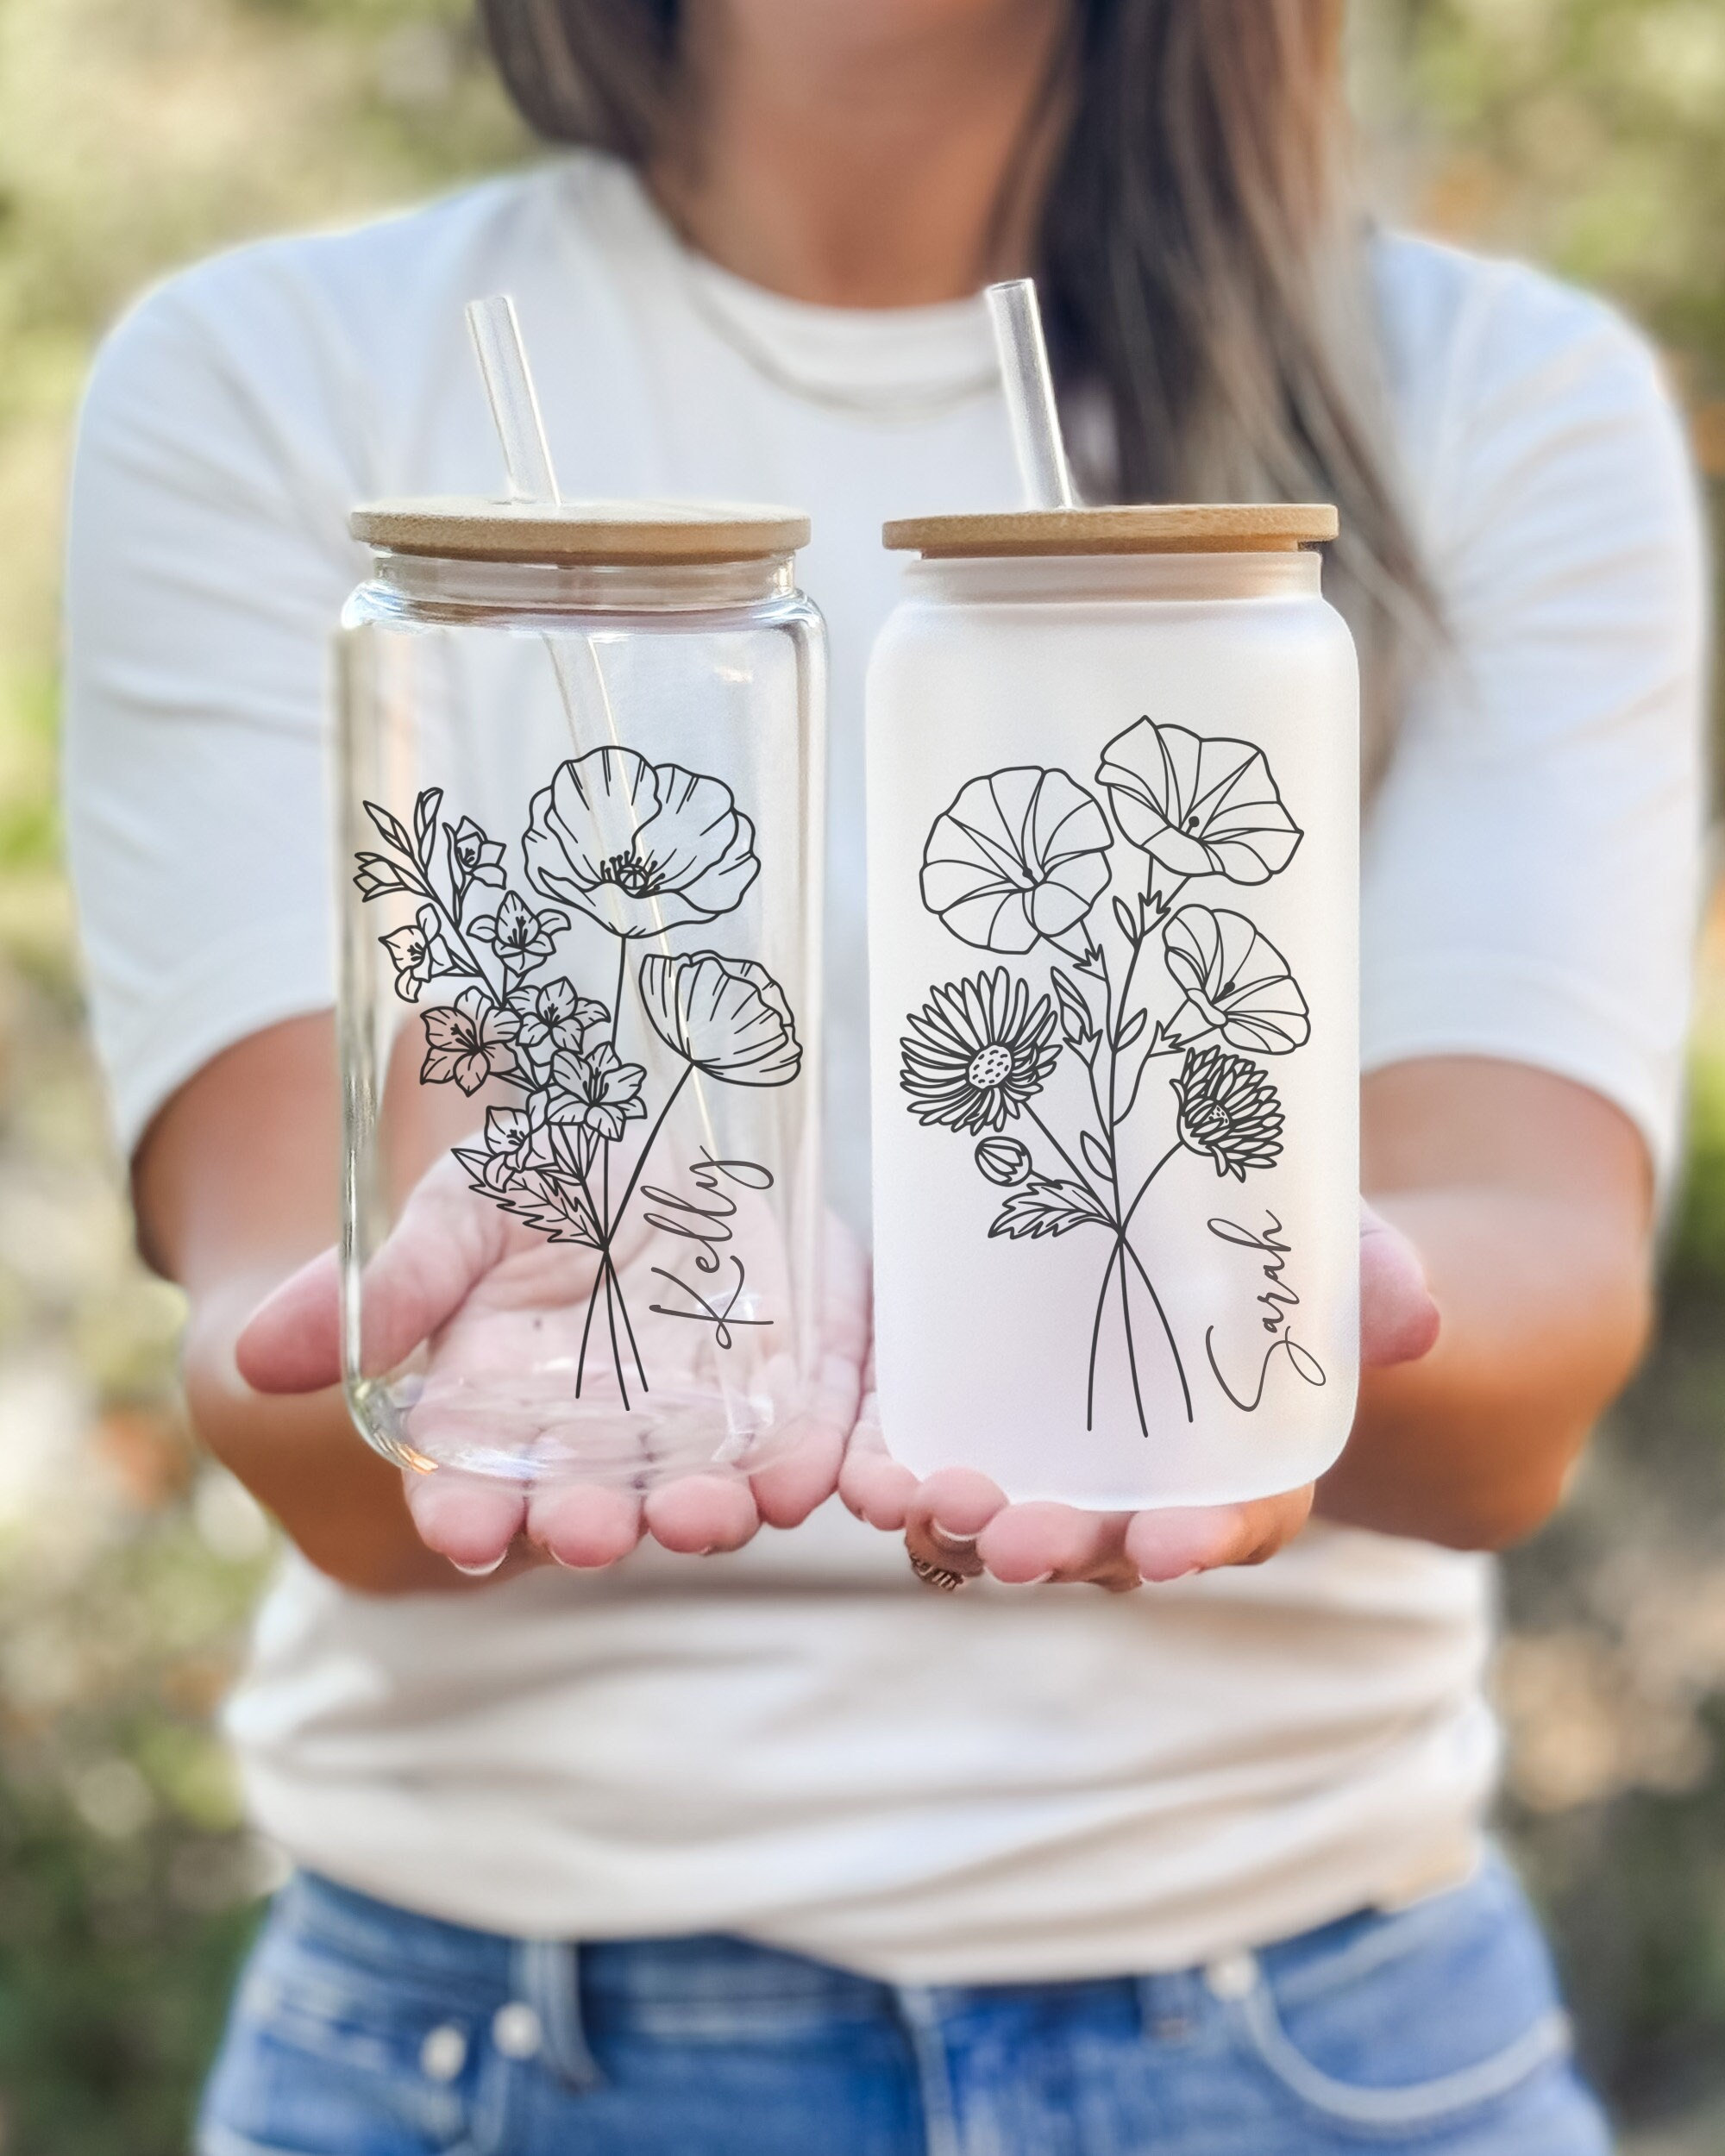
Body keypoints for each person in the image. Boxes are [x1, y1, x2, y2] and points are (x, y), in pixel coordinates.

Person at [62, 1, 1706, 2150]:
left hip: (1307, 2037)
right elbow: (317, 1374)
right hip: (485, 2041)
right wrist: (481, 1321)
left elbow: (1529, 1350)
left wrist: (1233, 1278)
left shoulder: (1493, 397)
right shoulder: (264, 375)